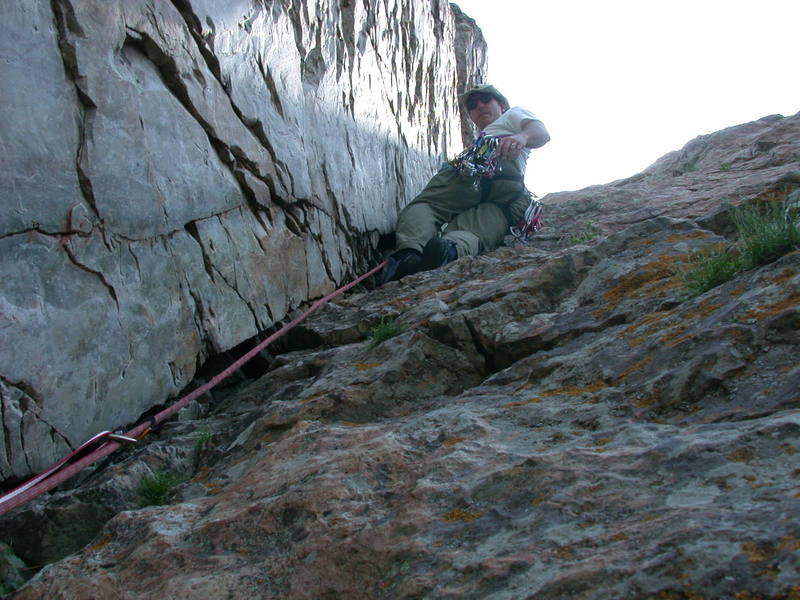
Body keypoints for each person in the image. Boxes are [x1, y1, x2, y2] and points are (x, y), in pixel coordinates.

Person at [381, 84, 550, 283]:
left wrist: (522, 137)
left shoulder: (513, 115)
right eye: (472, 104)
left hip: (481, 178)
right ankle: (446, 251)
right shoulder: (482, 136)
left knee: (428, 205)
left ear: (502, 106)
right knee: (471, 229)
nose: (479, 106)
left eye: (486, 99)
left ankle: (409, 253)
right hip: (500, 194)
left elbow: (541, 132)